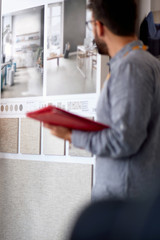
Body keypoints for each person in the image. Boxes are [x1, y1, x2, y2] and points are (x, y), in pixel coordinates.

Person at [45, 0, 160, 201]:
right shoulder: (145, 63)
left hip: (124, 201)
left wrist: (72, 135)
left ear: (99, 27)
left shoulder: (131, 67)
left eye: (90, 25)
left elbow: (123, 140)